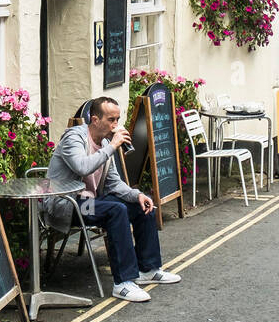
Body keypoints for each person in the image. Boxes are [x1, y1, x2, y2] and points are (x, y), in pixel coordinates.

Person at [44, 97, 181, 302]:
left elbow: (114, 183)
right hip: (69, 204)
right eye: (111, 119)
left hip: (92, 202)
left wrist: (137, 195)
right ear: (95, 119)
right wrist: (112, 147)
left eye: (117, 119)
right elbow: (82, 167)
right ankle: (123, 283)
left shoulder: (106, 142)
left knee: (142, 205)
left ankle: (148, 269)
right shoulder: (74, 138)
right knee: (116, 210)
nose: (115, 125)